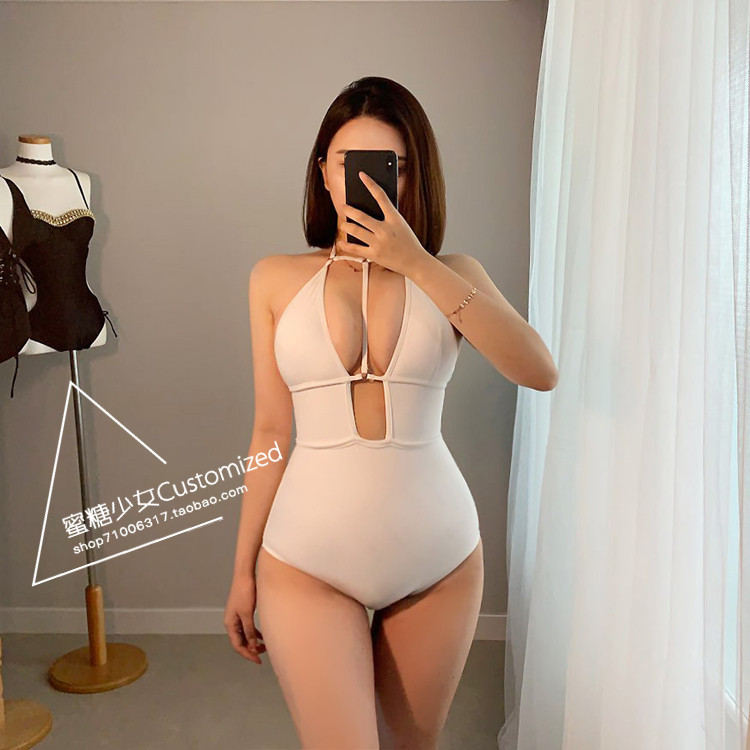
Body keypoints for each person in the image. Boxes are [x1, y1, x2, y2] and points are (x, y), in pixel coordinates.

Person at [224, 76, 558, 750]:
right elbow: (269, 431)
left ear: (414, 177)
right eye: (350, 163)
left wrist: (415, 262)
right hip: (306, 561)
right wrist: (241, 571)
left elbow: (538, 371)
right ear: (323, 171)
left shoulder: (455, 273)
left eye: (394, 167)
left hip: (438, 560)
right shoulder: (274, 278)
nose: (373, 182)